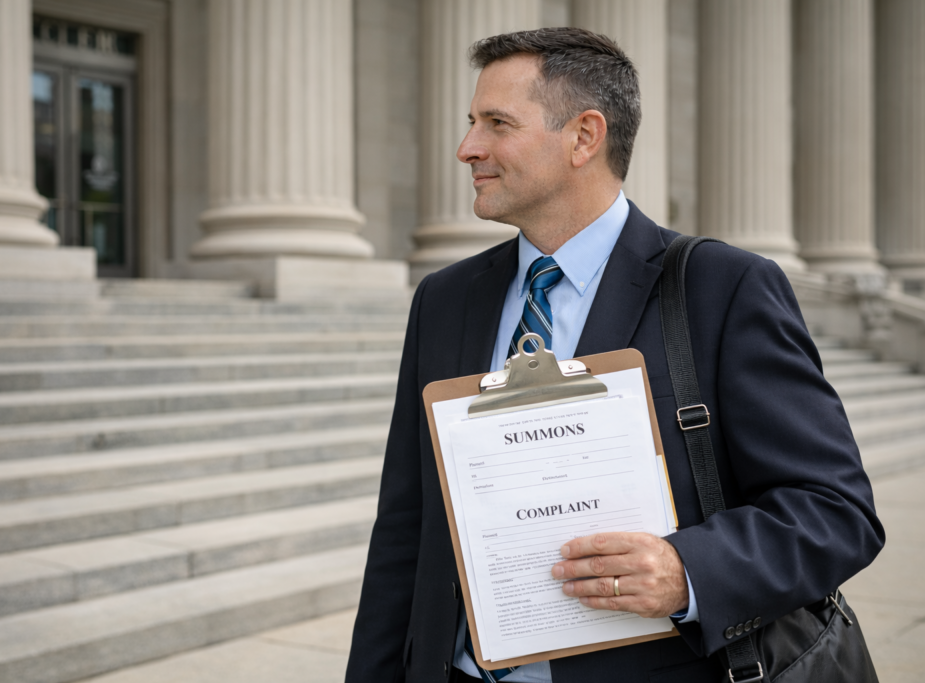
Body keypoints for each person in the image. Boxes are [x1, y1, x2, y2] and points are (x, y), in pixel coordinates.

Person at [345, 27, 884, 683]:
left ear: (584, 136)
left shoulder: (721, 286)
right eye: (470, 122)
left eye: (496, 123)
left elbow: (835, 511)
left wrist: (689, 570)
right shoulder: (444, 298)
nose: (468, 148)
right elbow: (406, 528)